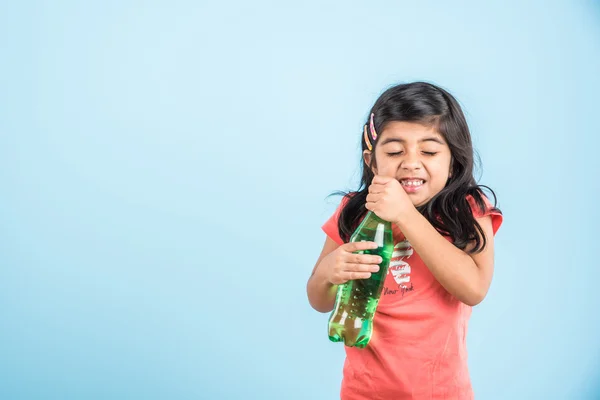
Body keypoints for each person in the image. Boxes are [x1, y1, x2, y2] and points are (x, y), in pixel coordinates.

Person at [306, 82, 503, 399]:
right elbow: (320, 300)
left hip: (442, 392)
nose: (411, 162)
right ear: (372, 161)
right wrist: (329, 272)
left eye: (429, 151)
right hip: (363, 392)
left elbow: (474, 288)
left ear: (453, 160)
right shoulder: (355, 212)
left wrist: (405, 216)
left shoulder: (466, 209)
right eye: (395, 151)